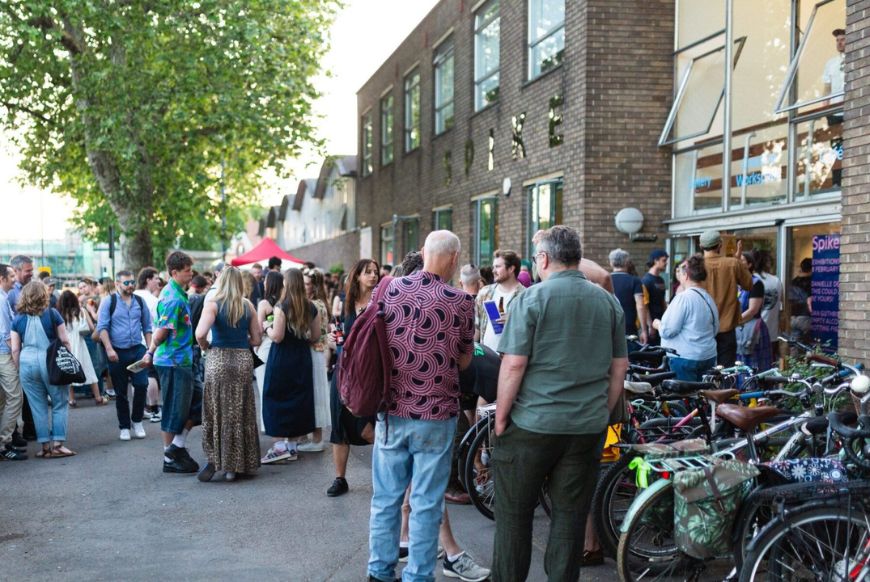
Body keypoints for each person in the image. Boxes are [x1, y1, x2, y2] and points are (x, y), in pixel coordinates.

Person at [492, 225, 628, 581]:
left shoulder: (530, 299)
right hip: (586, 427)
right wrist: (601, 412)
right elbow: (619, 369)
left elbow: (514, 364)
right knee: (569, 516)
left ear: (543, 258)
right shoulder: (607, 301)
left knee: (514, 515)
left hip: (532, 423)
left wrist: (501, 418)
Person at [367, 231, 475, 582]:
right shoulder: (460, 301)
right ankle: (418, 575)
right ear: (454, 258)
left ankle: (380, 572)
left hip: (391, 409)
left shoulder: (386, 290)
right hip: (436, 413)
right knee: (427, 502)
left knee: (386, 499)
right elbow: (463, 361)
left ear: (424, 253)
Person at [195, 266, 262, 482]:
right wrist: (243, 342)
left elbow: (199, 333)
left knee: (218, 409)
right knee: (240, 410)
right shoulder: (248, 305)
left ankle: (218, 459)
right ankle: (239, 463)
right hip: (242, 359)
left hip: (219, 360)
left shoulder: (213, 304)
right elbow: (257, 339)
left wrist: (206, 346)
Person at [144, 251, 200, 474]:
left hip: (182, 360)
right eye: (187, 270)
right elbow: (161, 332)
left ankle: (176, 447)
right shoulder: (173, 298)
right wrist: (149, 352)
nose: (191, 273)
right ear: (174, 272)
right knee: (173, 410)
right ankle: (170, 456)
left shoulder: (178, 293)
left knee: (199, 402)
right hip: (173, 362)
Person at [327, 259, 379, 497]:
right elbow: (342, 336)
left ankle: (391, 473)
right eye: (368, 272)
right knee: (339, 426)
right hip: (344, 371)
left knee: (368, 429)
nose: (373, 275)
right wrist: (334, 340)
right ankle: (340, 478)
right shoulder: (348, 305)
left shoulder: (381, 303)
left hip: (368, 374)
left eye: (375, 272)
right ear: (357, 276)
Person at [10, 281, 77, 458]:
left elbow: (15, 348)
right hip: (50, 361)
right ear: (44, 295)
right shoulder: (52, 314)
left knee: (37, 406)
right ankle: (58, 445)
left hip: (27, 362)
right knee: (59, 402)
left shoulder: (17, 319)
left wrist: (17, 369)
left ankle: (45, 446)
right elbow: (65, 340)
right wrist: (68, 362)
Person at [260, 269, 319, 464]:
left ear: (286, 283)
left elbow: (277, 337)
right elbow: (315, 336)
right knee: (297, 400)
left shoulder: (281, 307)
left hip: (282, 358)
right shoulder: (311, 307)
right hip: (301, 357)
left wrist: (266, 326)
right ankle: (292, 447)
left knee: (274, 398)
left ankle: (279, 448)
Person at [96, 270, 153, 441]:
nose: (130, 285)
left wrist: (149, 350)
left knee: (142, 385)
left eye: (132, 282)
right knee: (120, 392)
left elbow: (147, 327)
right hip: (117, 352)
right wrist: (109, 349)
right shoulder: (109, 302)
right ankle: (124, 426)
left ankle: (137, 421)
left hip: (137, 350)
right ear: (117, 284)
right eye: (126, 283)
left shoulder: (140, 302)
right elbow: (102, 327)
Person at [653, 256, 719, 381]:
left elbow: (668, 331)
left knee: (685, 397)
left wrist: (658, 324)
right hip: (708, 356)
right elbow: (715, 329)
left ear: (686, 276)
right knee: (703, 397)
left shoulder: (683, 298)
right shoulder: (708, 298)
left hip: (684, 358)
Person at [699, 230, 753, 367]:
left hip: (701, 328)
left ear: (701, 246)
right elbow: (748, 284)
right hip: (727, 327)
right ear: (720, 245)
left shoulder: (695, 265)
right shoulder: (733, 264)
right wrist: (738, 261)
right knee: (726, 373)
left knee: (704, 373)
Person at [57, 290, 106, 408]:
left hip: (67, 344)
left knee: (69, 370)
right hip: (80, 343)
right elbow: (91, 327)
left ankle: (72, 400)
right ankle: (98, 397)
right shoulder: (82, 311)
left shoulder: (60, 314)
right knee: (88, 368)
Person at [301, 268, 331, 452]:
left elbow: (312, 333)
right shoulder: (320, 302)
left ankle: (317, 439)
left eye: (306, 284)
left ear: (314, 286)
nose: (303, 287)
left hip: (314, 351)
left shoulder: (314, 304)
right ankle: (313, 437)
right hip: (317, 352)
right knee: (315, 394)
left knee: (316, 395)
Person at [0, 264, 27, 460]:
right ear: (1, 278)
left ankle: (3, 443)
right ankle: (3, 443)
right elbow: (5, 334)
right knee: (16, 397)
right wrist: (15, 358)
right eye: (10, 276)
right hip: (4, 355)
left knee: (3, 400)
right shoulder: (1, 300)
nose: (14, 279)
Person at [475, 249, 524, 352]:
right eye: (494, 267)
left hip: (511, 358)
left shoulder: (525, 296)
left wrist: (513, 320)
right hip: (486, 357)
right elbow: (476, 327)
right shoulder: (485, 292)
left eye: (497, 267)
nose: (493, 271)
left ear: (511, 269)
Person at [255, 271, 284, 433]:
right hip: (282, 348)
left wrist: (255, 347)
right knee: (280, 389)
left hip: (266, 347)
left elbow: (259, 330)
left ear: (270, 283)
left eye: (266, 281)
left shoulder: (264, 304)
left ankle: (268, 424)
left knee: (264, 388)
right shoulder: (285, 302)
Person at [736, 252, 773, 371]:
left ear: (750, 264)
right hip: (737, 330)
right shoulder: (736, 283)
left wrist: (734, 321)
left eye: (742, 261)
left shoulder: (756, 283)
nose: (738, 263)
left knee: (754, 366)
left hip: (752, 331)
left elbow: (753, 310)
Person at [135, 266, 162, 420]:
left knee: (136, 374)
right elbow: (159, 322)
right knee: (151, 375)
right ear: (148, 280)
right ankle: (154, 409)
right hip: (148, 342)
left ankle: (141, 408)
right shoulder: (152, 300)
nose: (158, 281)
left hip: (132, 342)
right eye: (156, 278)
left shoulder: (132, 295)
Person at [609, 248, 649, 345]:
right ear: (627, 262)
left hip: (608, 326)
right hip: (628, 327)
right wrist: (644, 330)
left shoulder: (605, 280)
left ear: (611, 263)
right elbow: (640, 305)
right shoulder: (634, 281)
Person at [755, 250, 783, 354]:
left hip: (754, 334)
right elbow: (782, 306)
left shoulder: (752, 280)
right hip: (772, 333)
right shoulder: (776, 281)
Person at [642, 249, 669, 345]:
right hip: (652, 322)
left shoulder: (661, 279)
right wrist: (650, 325)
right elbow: (645, 305)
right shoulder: (646, 280)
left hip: (661, 321)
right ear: (655, 261)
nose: (666, 263)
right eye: (664, 260)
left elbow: (662, 300)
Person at [789, 257, 813, 344]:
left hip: (793, 317)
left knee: (795, 345)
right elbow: (810, 301)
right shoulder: (812, 282)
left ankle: (793, 358)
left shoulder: (793, 281)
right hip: (806, 317)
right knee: (810, 346)